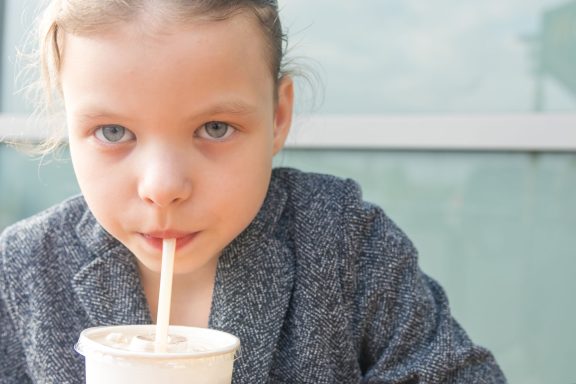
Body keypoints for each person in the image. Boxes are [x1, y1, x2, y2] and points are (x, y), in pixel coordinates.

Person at [0, 0, 507, 382]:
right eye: (113, 132)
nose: (163, 187)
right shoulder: (24, 269)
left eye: (215, 128)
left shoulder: (345, 242)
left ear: (278, 116)